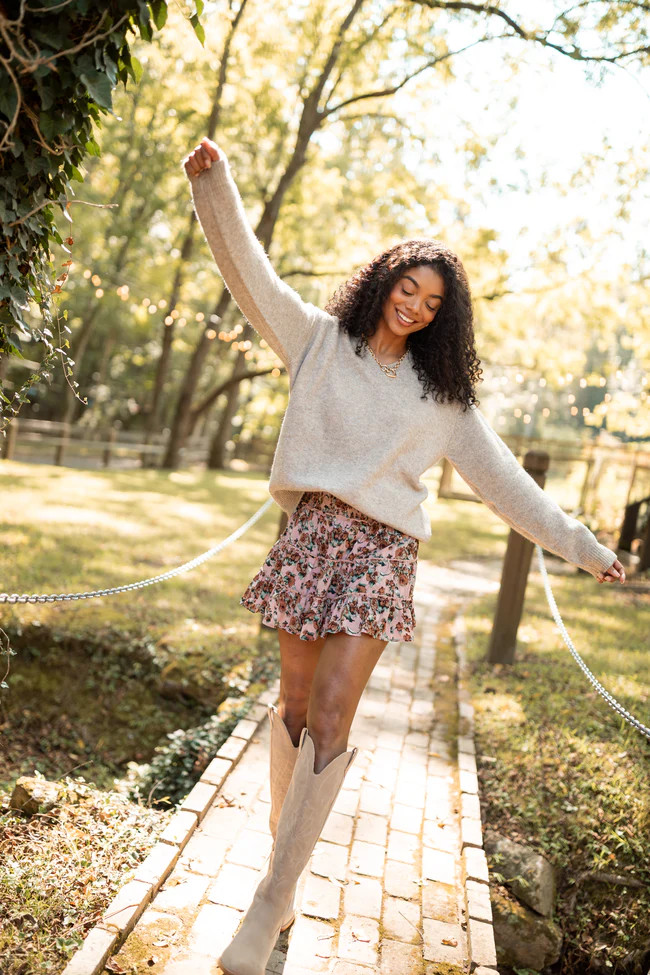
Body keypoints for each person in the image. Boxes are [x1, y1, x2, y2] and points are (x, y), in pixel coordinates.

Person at [182, 137, 625, 975]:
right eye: (406, 288)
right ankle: (288, 866)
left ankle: (268, 902)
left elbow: (508, 488)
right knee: (295, 706)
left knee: (337, 712)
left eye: (431, 302)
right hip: (313, 536)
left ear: (443, 317)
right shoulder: (317, 342)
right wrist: (215, 184)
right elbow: (251, 275)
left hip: (382, 555)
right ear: (383, 282)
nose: (414, 306)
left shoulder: (444, 402)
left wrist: (583, 544)